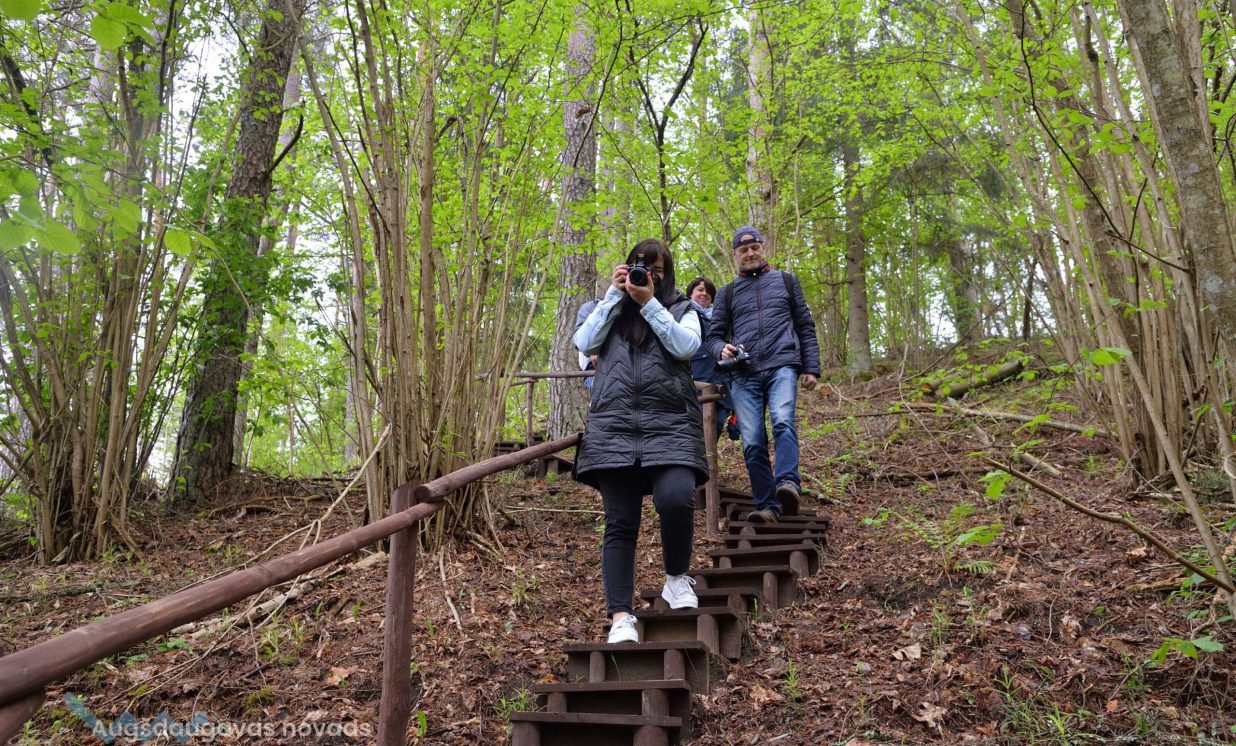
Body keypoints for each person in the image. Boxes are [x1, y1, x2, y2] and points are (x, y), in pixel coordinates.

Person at [573, 238, 708, 644]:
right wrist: (615, 296)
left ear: (667, 275)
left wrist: (650, 304)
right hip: (613, 426)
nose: (646, 276)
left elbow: (686, 347)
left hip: (671, 424)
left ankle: (676, 578)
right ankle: (620, 616)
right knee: (620, 522)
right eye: (639, 267)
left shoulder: (682, 308)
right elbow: (584, 344)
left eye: (657, 272)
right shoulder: (605, 307)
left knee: (677, 497)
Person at [705, 226, 821, 524]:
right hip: (744, 374)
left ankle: (788, 484)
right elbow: (713, 337)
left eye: (754, 247)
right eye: (744, 250)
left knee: (783, 421)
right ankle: (767, 506)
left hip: (783, 363)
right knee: (753, 440)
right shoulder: (727, 293)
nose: (750, 253)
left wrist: (811, 367)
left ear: (764, 247)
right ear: (735, 255)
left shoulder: (786, 281)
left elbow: (805, 326)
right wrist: (721, 349)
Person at [684, 276, 735, 443]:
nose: (704, 293)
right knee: (695, 430)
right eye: (700, 290)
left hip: (721, 380)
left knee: (716, 425)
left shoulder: (721, 318)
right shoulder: (683, 314)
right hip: (696, 381)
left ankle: (708, 460)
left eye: (708, 291)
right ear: (690, 293)